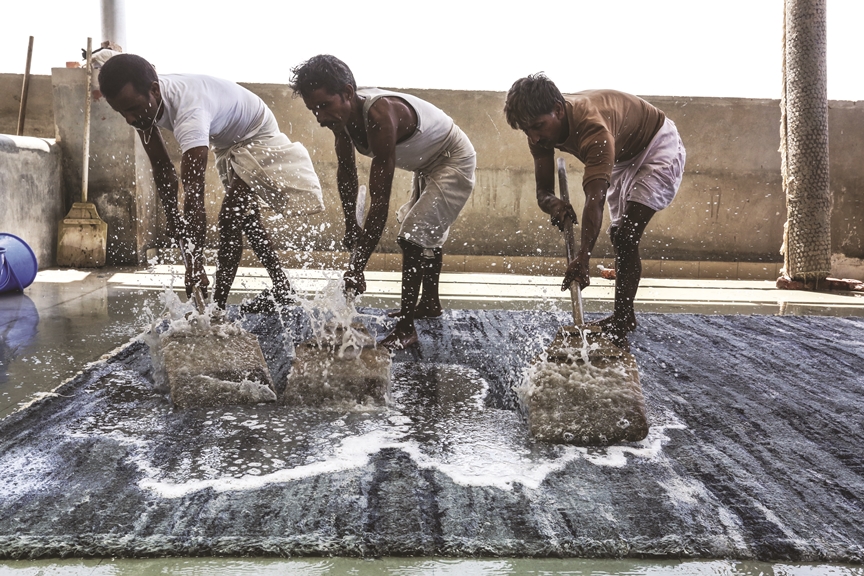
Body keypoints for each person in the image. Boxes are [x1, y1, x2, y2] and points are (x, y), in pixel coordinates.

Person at [98, 54, 323, 310]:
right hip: (227, 140)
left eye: (133, 109)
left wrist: (194, 265)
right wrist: (175, 225)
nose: (129, 118)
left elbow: (194, 197)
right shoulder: (141, 107)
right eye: (121, 112)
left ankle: (216, 309)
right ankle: (283, 287)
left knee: (230, 217)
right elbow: (163, 172)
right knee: (247, 220)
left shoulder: (190, 112)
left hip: (257, 133)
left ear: (155, 89)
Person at [289, 55, 476, 349]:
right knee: (425, 228)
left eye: (324, 106)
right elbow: (347, 172)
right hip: (425, 164)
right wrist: (351, 223)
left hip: (452, 158)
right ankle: (429, 303)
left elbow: (380, 202)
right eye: (314, 110)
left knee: (413, 236)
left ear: (348, 93)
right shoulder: (341, 119)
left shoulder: (380, 116)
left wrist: (358, 265)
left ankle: (407, 330)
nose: (320, 117)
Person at [504, 74, 685, 347]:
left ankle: (622, 320)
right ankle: (626, 317)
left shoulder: (593, 130)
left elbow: (595, 199)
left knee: (625, 237)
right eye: (527, 131)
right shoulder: (538, 134)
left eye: (538, 127)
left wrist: (583, 258)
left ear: (558, 110)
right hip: (623, 154)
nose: (534, 137)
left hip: (656, 145)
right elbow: (543, 192)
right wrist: (554, 204)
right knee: (618, 236)